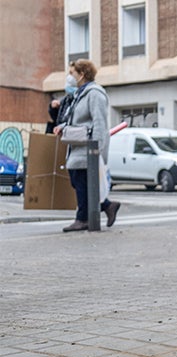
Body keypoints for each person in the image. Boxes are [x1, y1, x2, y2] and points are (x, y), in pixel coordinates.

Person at [53, 59, 121, 232]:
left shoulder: (94, 94)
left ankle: (83, 218)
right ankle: (107, 206)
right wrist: (63, 127)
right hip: (78, 148)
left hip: (87, 149)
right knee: (80, 183)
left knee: (82, 183)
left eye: (72, 73)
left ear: (82, 74)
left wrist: (96, 150)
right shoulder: (80, 94)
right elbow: (78, 120)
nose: (69, 77)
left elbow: (99, 122)